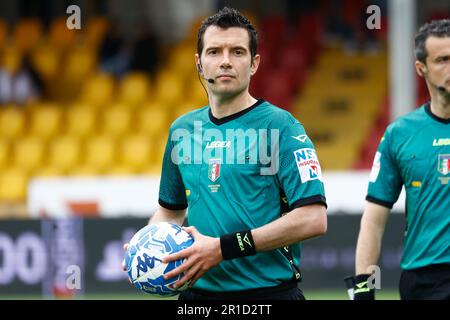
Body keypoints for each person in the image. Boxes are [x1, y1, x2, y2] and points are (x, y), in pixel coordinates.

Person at [123, 7, 327, 300]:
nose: (226, 61)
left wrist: (223, 248)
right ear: (199, 63)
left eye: (238, 52)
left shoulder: (281, 127)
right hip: (197, 297)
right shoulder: (182, 130)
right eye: (215, 51)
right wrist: (144, 246)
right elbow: (171, 209)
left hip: (267, 294)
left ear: (254, 63)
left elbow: (313, 218)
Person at [353, 19, 450, 300]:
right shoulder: (400, 134)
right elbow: (374, 219)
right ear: (422, 69)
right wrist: (362, 289)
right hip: (424, 281)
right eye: (442, 60)